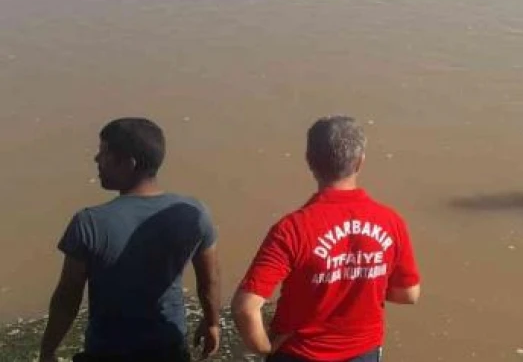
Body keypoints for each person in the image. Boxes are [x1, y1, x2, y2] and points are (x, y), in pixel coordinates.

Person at [232, 116, 420, 362]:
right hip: (362, 353)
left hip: (299, 353)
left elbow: (246, 308)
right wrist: (361, 277)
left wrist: (265, 347)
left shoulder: (292, 229)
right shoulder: (391, 221)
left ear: (310, 161)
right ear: (360, 162)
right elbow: (408, 295)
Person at [39, 118, 221, 362]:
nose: (96, 160)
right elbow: (209, 281)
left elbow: (67, 298)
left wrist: (48, 350)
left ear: (129, 164)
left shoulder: (90, 222)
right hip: (169, 348)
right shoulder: (195, 213)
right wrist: (212, 324)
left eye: (104, 153)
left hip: (107, 351)